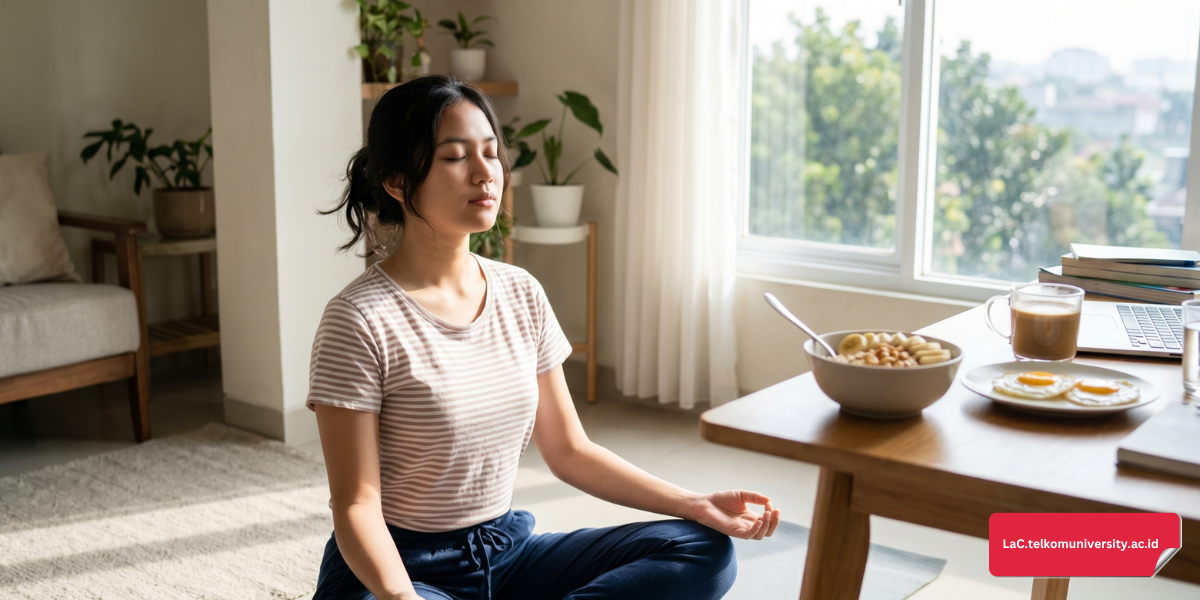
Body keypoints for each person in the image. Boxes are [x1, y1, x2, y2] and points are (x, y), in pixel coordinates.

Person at [307, 75, 780, 600]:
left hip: (505, 554)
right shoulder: (358, 320)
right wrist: (402, 598)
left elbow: (571, 450)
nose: (486, 173)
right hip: (398, 570)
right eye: (454, 157)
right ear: (397, 182)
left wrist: (694, 504)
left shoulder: (520, 293)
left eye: (491, 152)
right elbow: (356, 506)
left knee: (703, 549)